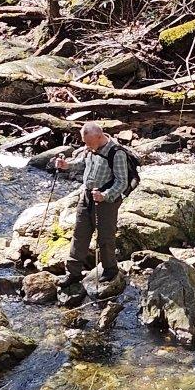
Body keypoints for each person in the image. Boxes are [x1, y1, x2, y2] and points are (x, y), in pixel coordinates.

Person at [55, 122, 129, 286]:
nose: (86, 145)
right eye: (85, 142)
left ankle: (110, 269)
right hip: (87, 196)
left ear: (99, 136)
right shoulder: (90, 148)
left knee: (105, 236)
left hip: (106, 201)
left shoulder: (117, 153)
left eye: (88, 142)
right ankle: (73, 273)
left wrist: (105, 195)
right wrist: (67, 165)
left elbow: (122, 182)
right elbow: (82, 163)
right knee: (79, 233)